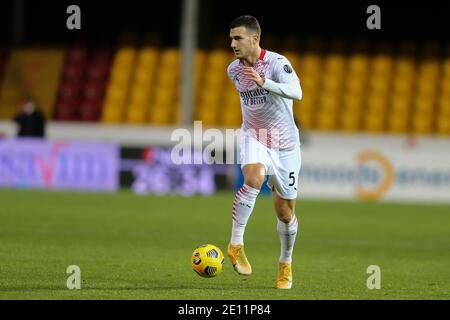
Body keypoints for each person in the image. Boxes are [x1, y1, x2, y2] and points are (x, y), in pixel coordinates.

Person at [226, 15, 302, 289]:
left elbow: (297, 92)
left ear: (254, 39)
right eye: (231, 38)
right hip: (254, 136)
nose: (232, 43)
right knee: (254, 178)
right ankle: (236, 243)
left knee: (285, 213)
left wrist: (263, 82)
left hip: (286, 145)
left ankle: (285, 263)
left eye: (238, 38)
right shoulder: (233, 70)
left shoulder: (277, 63)